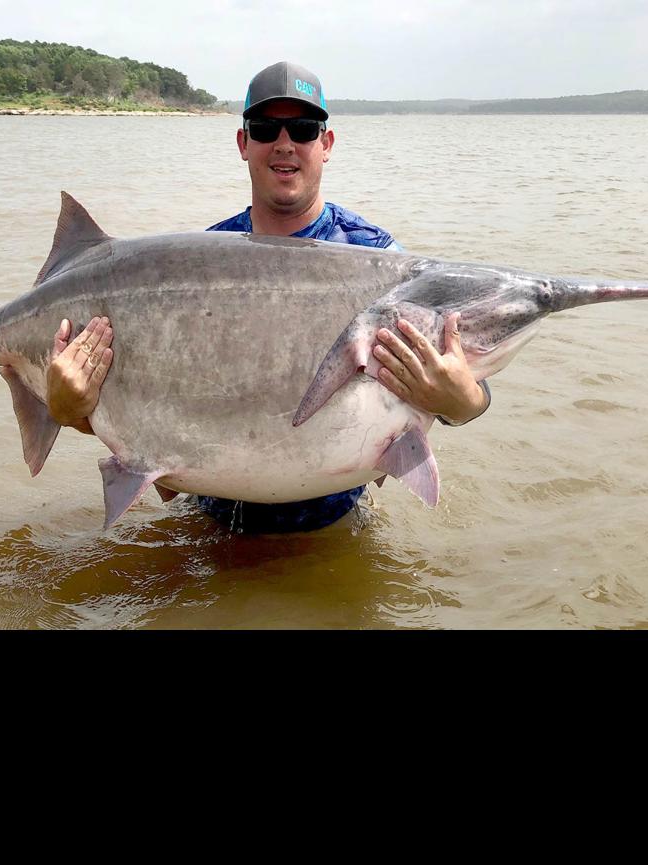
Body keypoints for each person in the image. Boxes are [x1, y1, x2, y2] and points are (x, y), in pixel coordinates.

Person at [45, 60, 490, 532]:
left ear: (326, 144)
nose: (284, 144)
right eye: (265, 128)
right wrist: (71, 413)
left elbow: (464, 377)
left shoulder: (376, 258)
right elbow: (160, 431)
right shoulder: (199, 263)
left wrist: (463, 403)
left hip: (328, 529)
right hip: (206, 526)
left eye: (302, 128)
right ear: (243, 143)